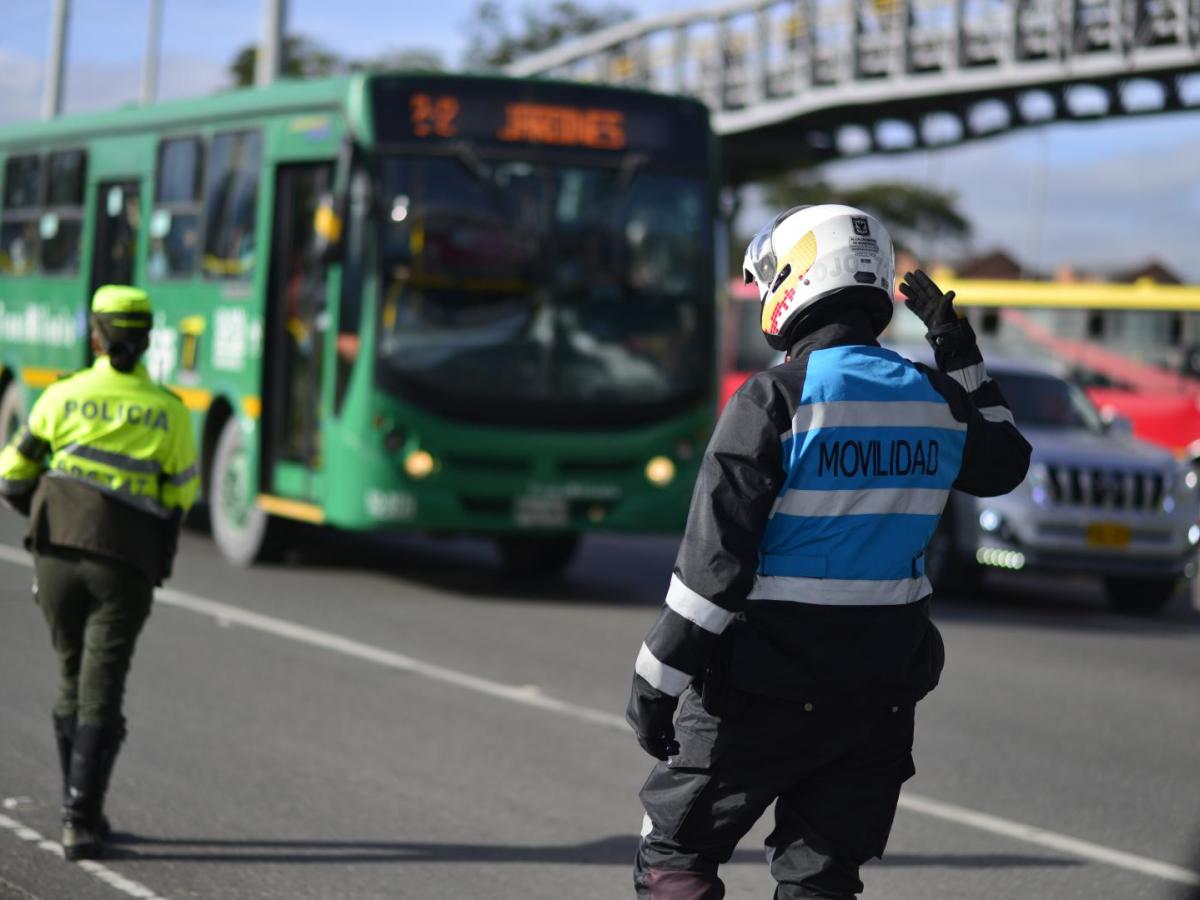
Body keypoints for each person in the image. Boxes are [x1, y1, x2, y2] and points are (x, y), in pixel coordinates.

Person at [627, 204, 1032, 899]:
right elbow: (1006, 459)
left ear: (799, 278)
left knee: (674, 858)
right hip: (878, 694)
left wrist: (655, 682)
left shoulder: (772, 399)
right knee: (821, 880)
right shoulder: (935, 398)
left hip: (758, 690)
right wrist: (956, 348)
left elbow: (712, 573)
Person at [0, 285, 198, 861]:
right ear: (148, 340)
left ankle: (77, 804)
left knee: (71, 674)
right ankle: (80, 819)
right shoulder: (169, 410)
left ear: (95, 337)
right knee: (102, 686)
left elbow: (11, 476)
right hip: (125, 564)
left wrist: (49, 512)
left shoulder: (61, 396)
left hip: (56, 552)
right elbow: (181, 494)